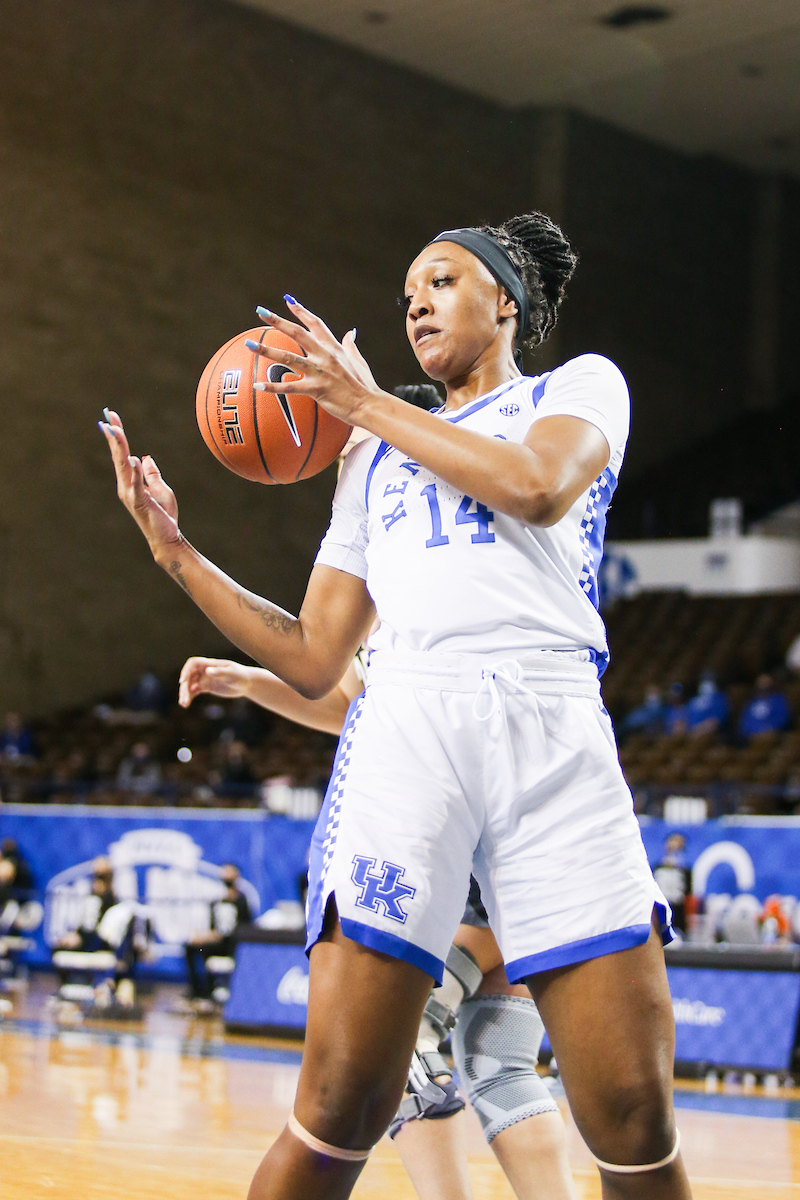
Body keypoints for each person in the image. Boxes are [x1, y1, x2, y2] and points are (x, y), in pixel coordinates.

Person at [102, 210, 688, 1199]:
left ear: (505, 300)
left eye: (442, 279)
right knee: (340, 1100)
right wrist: (177, 554)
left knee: (631, 1110)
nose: (414, 297)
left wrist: (366, 407)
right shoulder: (369, 459)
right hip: (407, 736)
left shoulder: (576, 388)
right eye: (406, 287)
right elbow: (314, 649)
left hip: (550, 731)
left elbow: (538, 486)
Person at [180, 652, 578, 1200]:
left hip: (435, 818)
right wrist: (254, 683)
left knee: (403, 1045)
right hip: (531, 813)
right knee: (503, 1066)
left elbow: (349, 686)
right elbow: (353, 704)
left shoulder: (381, 577)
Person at [183, 862, 252, 1010]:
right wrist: (204, 935)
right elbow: (212, 926)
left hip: (231, 944)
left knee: (206, 948)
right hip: (214, 941)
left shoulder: (241, 901)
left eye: (229, 872)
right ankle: (197, 992)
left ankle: (211, 993)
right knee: (191, 948)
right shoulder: (216, 900)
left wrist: (213, 936)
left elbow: (243, 928)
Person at [652, 834, 692, 937]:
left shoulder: (685, 871)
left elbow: (688, 892)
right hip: (659, 907)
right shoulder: (658, 869)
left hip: (678, 909)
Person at [738, 674, 791, 741]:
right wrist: (753, 733)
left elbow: (782, 719)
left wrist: (768, 730)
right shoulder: (751, 702)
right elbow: (745, 723)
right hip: (753, 738)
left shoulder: (778, 700)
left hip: (773, 736)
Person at [684, 674, 728, 738]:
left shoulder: (719, 699)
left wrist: (702, 729)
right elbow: (688, 719)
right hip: (693, 734)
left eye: (709, 680)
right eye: (704, 680)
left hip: (711, 735)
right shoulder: (693, 701)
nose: (706, 684)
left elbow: (718, 719)